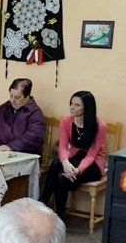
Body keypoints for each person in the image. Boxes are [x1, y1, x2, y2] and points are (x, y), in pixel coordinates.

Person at [39, 91, 106, 219]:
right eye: (71, 103)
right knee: (56, 164)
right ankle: (45, 202)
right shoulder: (66, 121)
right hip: (74, 158)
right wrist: (65, 162)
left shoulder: (100, 125)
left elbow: (92, 154)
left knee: (61, 176)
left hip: (93, 164)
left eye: (77, 105)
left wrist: (78, 170)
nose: (72, 107)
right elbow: (63, 147)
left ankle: (56, 213)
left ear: (86, 107)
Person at [0, 78, 46, 154]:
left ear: (27, 96)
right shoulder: (3, 108)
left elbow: (34, 137)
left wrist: (10, 147)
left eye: (17, 97)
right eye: (11, 96)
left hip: (22, 153)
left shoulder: (35, 113)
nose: (12, 100)